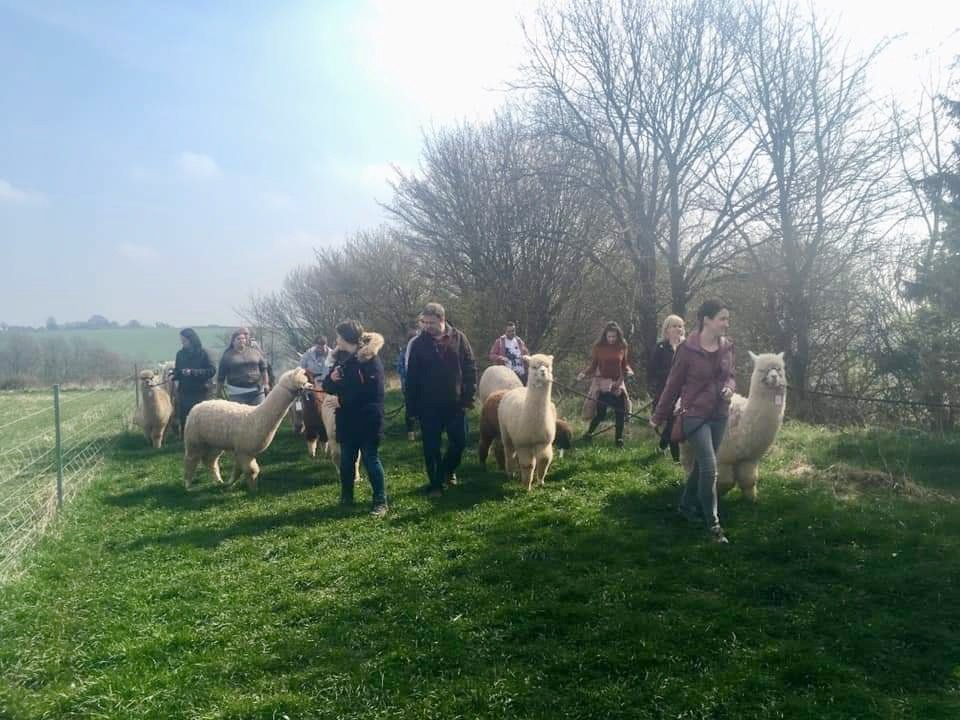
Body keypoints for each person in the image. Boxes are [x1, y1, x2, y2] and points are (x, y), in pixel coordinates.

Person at [650, 299, 736, 544]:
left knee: (702, 466)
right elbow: (672, 385)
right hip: (694, 415)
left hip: (719, 414)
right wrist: (658, 416)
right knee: (709, 467)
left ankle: (686, 506)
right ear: (707, 320)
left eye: (727, 319)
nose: (726, 324)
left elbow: (731, 376)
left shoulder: (727, 347)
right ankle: (713, 525)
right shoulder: (686, 350)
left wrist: (729, 388)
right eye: (722, 319)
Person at [405, 302, 477, 497]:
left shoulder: (459, 338)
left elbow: (470, 367)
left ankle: (448, 470)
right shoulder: (418, 344)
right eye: (424, 322)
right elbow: (411, 378)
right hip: (428, 406)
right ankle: (436, 484)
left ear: (442, 320)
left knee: (460, 443)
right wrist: (412, 408)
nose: (427, 326)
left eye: (431, 322)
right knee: (431, 447)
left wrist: (468, 397)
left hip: (456, 404)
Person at [321, 320, 389, 517]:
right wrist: (331, 379)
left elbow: (374, 392)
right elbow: (328, 387)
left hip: (368, 419)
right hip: (347, 420)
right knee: (346, 461)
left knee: (370, 459)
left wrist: (343, 400)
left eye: (338, 336)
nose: (336, 340)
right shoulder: (340, 359)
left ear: (346, 338)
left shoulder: (370, 360)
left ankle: (380, 502)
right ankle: (346, 498)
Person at [578, 321, 634, 448]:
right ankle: (588, 434)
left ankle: (619, 440)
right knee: (601, 414)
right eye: (609, 337)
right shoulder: (598, 347)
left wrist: (629, 370)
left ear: (618, 336)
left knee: (620, 412)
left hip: (618, 383)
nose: (611, 339)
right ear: (605, 336)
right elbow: (593, 365)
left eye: (614, 337)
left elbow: (624, 364)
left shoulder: (622, 346)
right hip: (603, 384)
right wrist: (584, 373)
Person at [647, 314, 686, 461]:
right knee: (672, 423)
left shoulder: (688, 348)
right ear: (667, 329)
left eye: (680, 326)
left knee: (674, 423)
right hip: (665, 392)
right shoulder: (660, 348)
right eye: (674, 326)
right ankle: (676, 460)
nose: (678, 329)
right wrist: (671, 373)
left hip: (684, 394)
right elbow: (652, 371)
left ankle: (662, 446)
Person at [172, 328, 216, 436]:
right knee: (185, 420)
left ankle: (205, 440)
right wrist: (173, 375)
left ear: (192, 339)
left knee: (202, 421)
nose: (182, 343)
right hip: (184, 393)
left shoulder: (204, 353)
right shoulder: (180, 354)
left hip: (201, 393)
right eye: (181, 340)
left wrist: (193, 372)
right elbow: (177, 371)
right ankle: (185, 441)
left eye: (184, 340)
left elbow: (212, 371)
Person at [217, 327, 269, 405]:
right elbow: (221, 376)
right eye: (238, 339)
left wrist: (266, 383)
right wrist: (219, 391)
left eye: (243, 338)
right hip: (237, 394)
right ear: (233, 341)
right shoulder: (227, 356)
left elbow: (264, 369)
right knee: (238, 413)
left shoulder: (255, 352)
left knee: (259, 412)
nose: (241, 340)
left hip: (257, 392)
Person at [395, 327, 419, 441]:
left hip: (421, 386)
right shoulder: (404, 352)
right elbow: (400, 368)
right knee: (410, 409)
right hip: (408, 385)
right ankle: (410, 432)